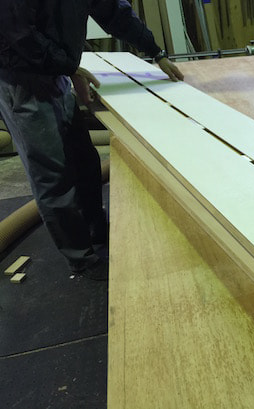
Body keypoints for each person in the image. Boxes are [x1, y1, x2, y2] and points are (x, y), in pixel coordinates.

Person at [0, 1, 184, 280]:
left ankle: (97, 230)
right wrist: (70, 67)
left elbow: (114, 12)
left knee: (84, 161)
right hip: (22, 79)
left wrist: (156, 52)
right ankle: (81, 258)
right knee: (53, 175)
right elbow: (19, 34)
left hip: (56, 71)